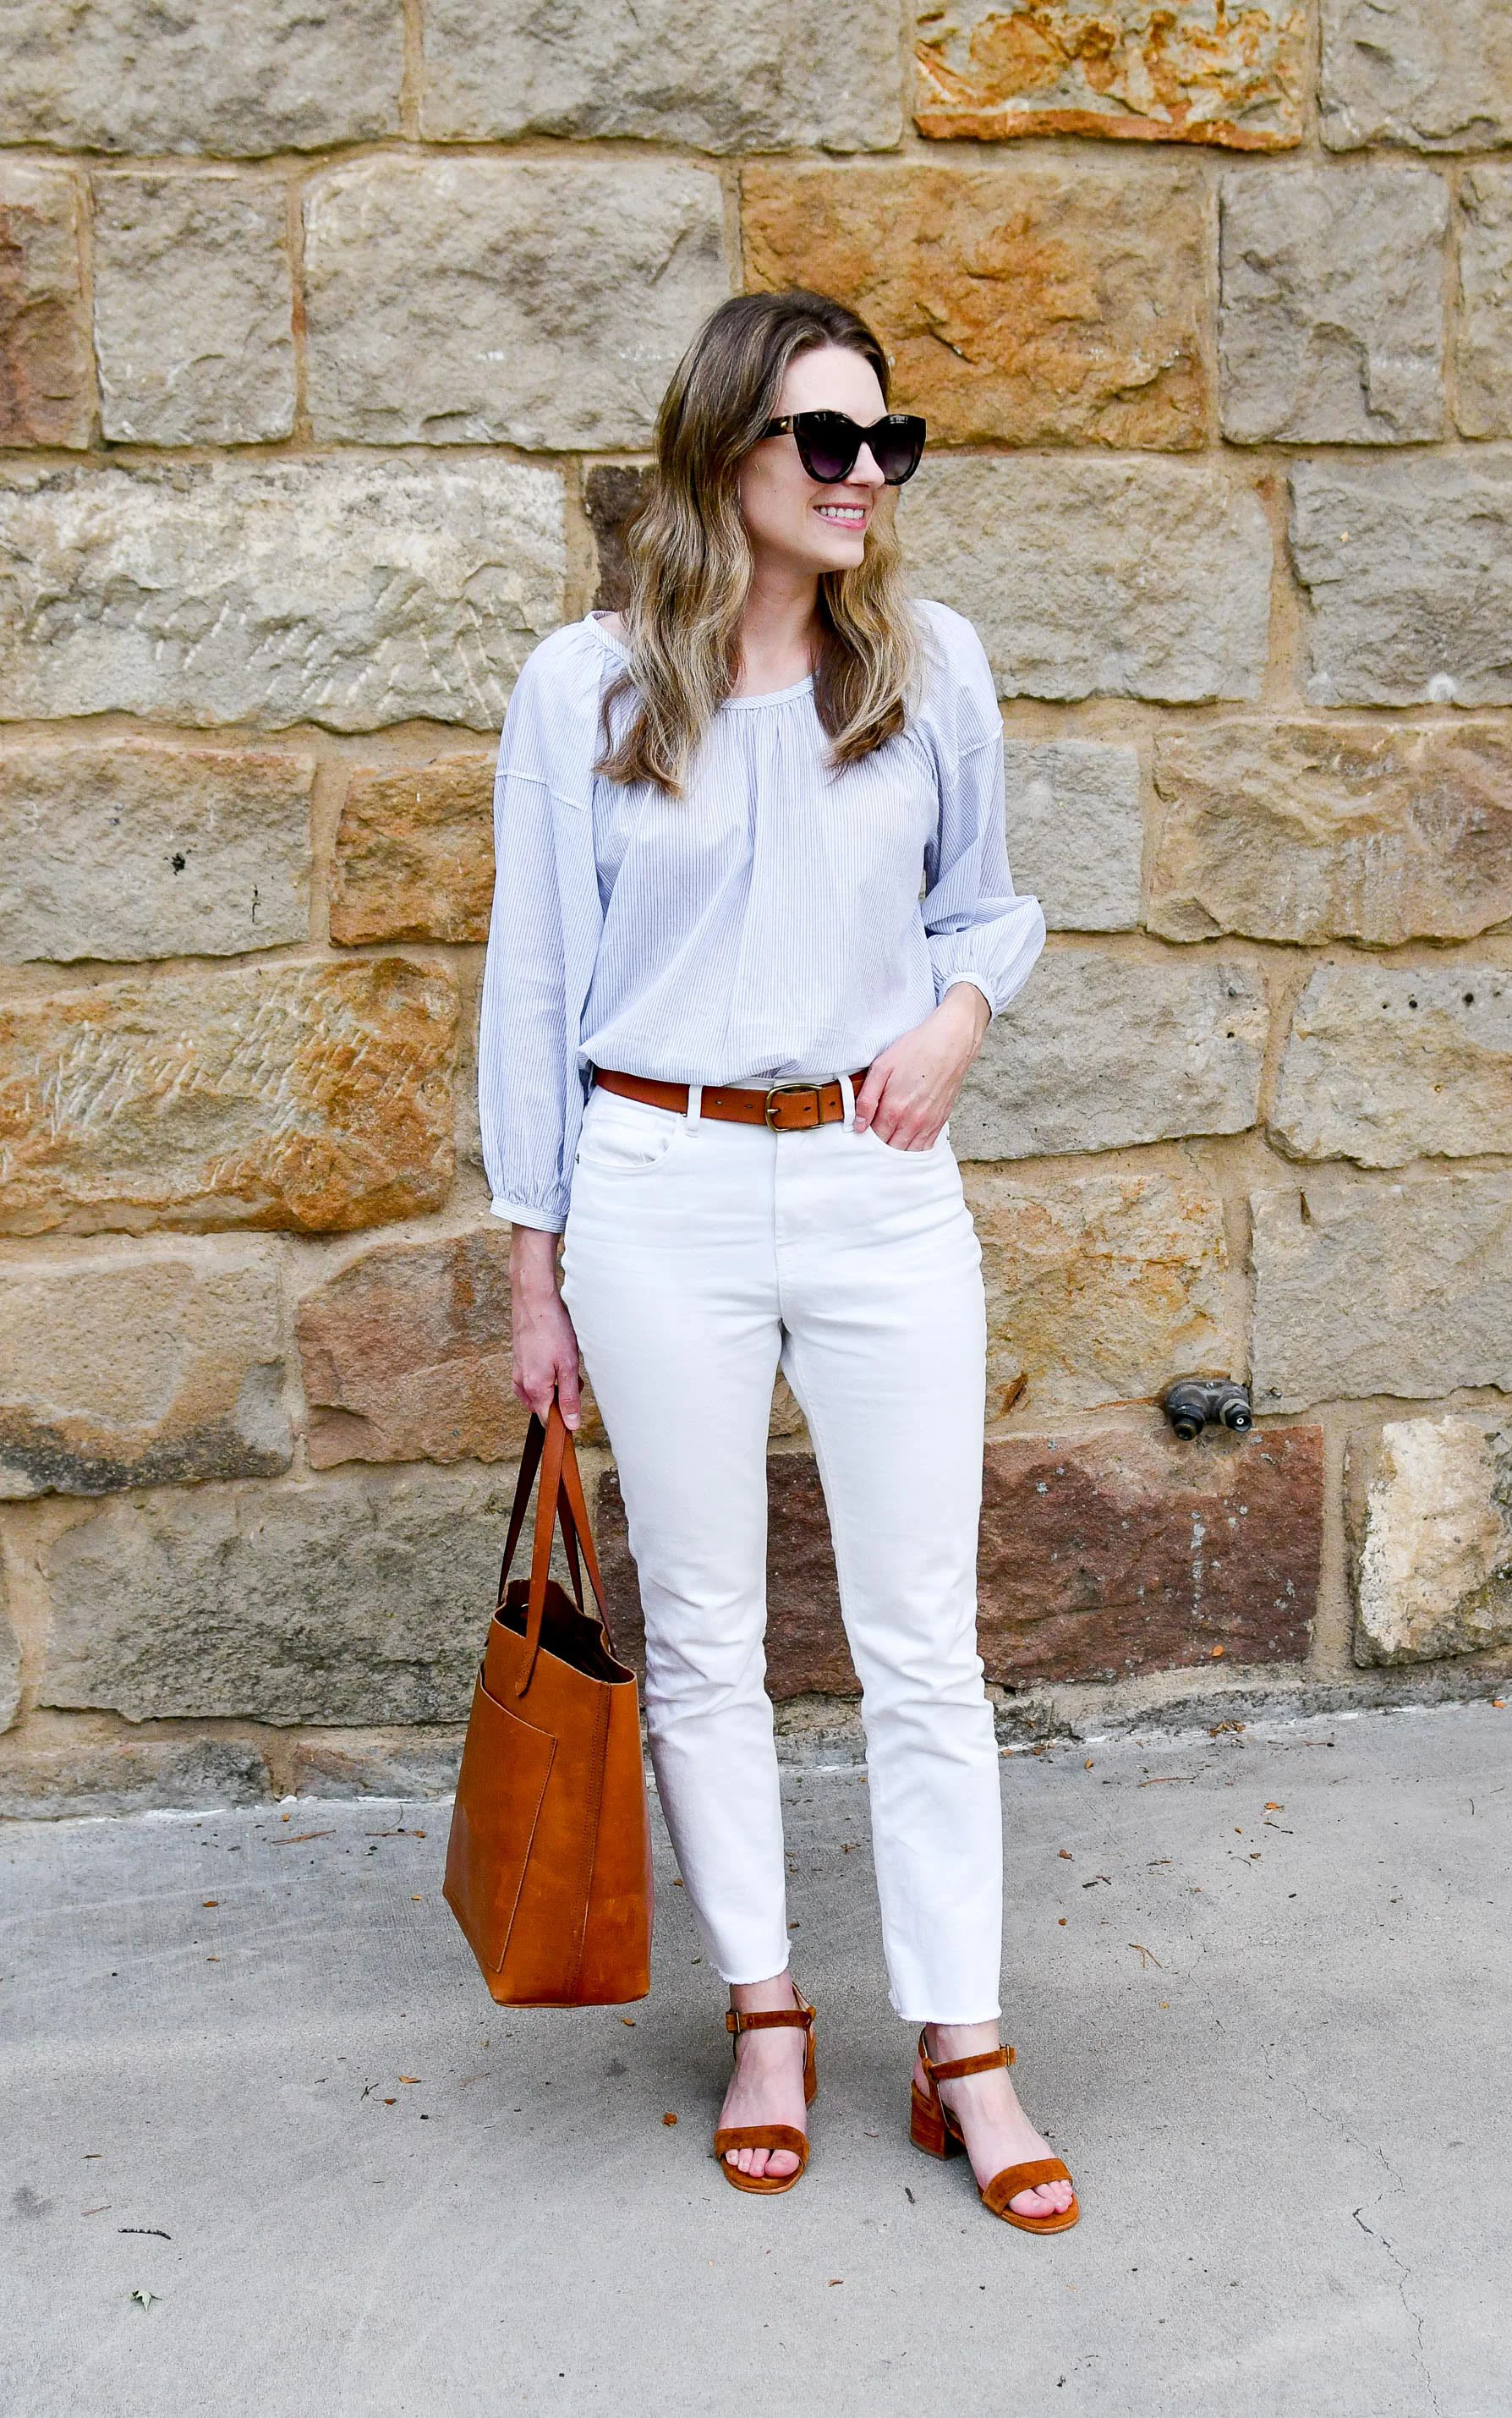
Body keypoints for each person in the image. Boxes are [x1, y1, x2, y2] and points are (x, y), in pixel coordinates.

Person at [479, 288, 1076, 2234]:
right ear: (724, 452)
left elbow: (990, 907)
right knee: (711, 1640)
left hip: (875, 1177)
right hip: (655, 1179)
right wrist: (532, 1265)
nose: (863, 480)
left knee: (924, 1640)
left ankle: (961, 2043)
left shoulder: (928, 671)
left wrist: (954, 1021)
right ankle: (764, 2010)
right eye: (824, 443)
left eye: (885, 444)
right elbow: (536, 985)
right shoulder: (584, 690)